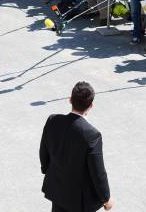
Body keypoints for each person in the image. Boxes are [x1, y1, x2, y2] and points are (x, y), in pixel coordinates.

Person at [39, 81, 113, 212]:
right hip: (79, 200)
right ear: (91, 105)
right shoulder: (92, 135)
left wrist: (49, 172)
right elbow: (98, 172)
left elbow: (43, 153)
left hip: (57, 190)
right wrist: (106, 198)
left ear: (70, 100)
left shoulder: (52, 121)